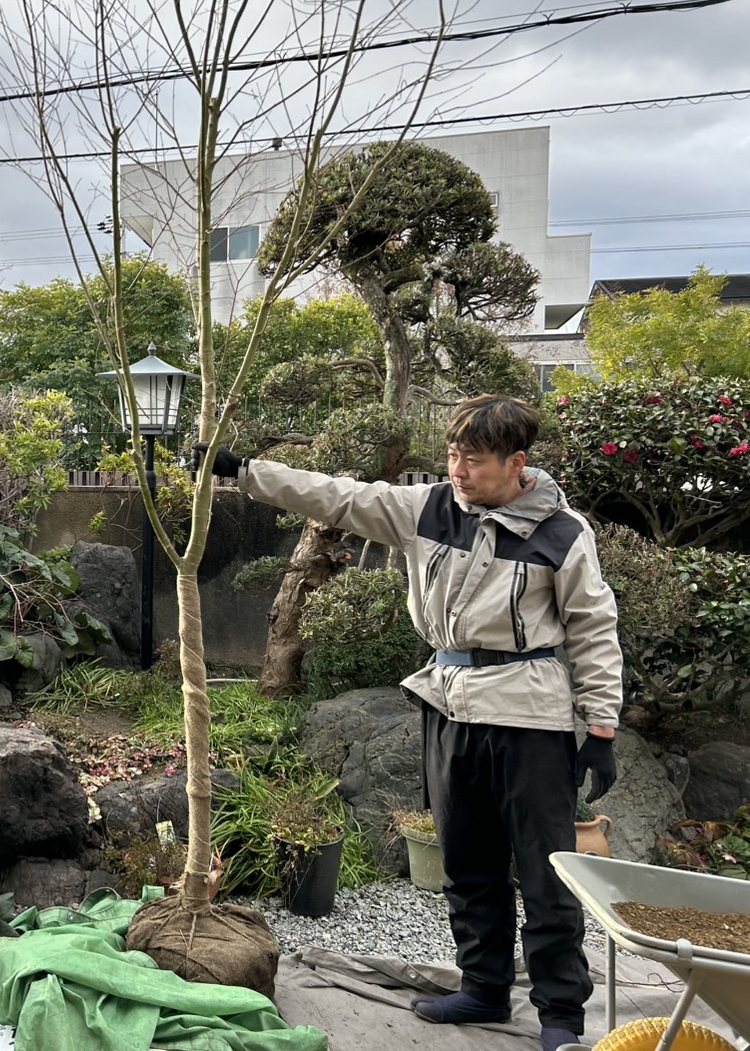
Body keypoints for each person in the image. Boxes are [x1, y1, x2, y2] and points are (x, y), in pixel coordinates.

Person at [203, 395, 620, 1051]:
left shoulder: (562, 534)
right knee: (466, 859)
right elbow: (333, 496)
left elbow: (593, 628)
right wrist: (242, 470)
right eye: (451, 455)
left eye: (473, 460)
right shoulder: (425, 508)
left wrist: (599, 729)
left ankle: (560, 1015)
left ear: (515, 463)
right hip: (449, 705)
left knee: (545, 873)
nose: (457, 469)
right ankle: (482, 989)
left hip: (529, 715)